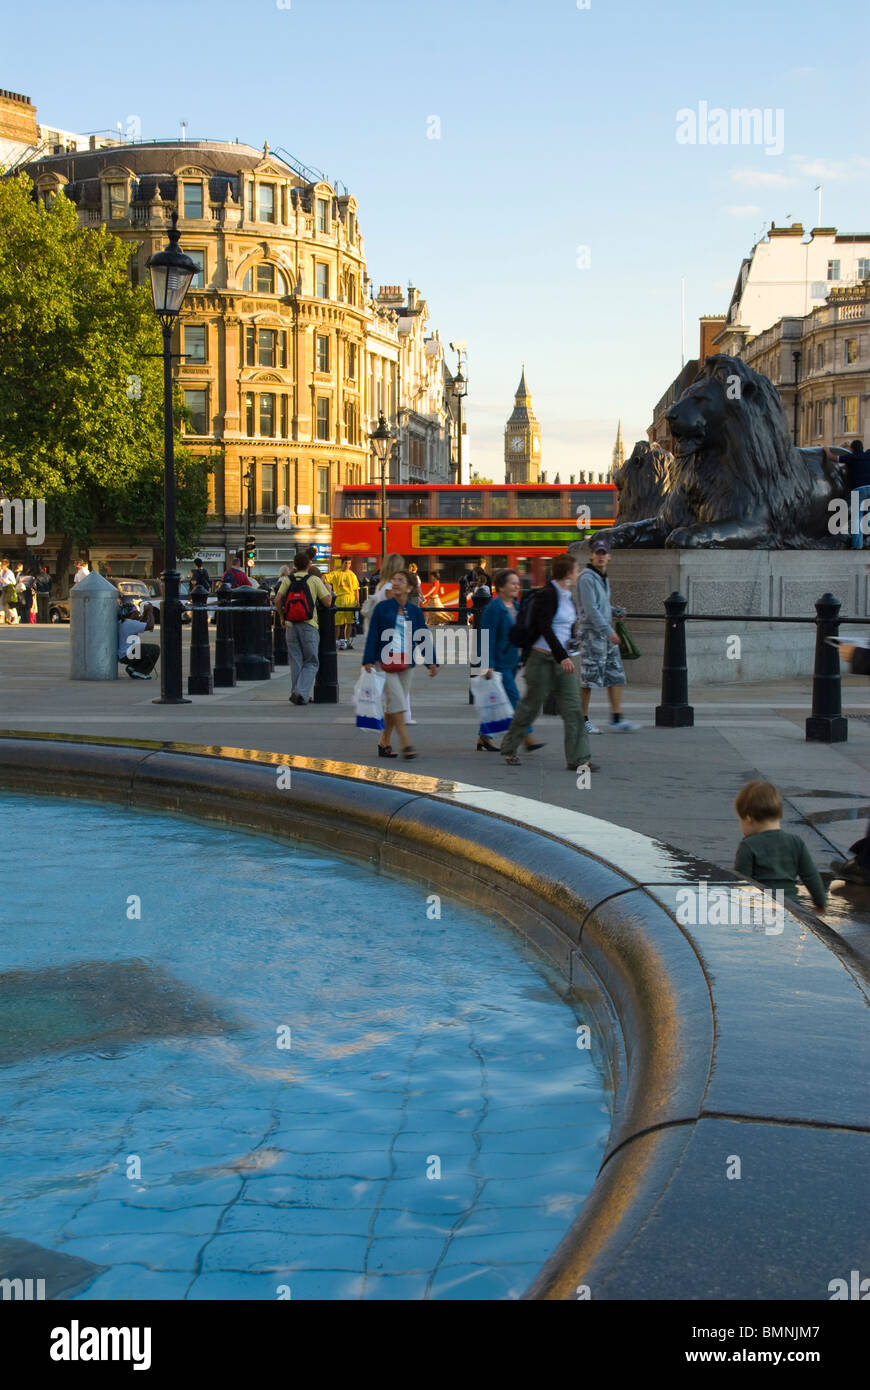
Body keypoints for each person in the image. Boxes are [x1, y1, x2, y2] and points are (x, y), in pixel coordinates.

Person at [499, 554, 594, 772]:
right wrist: (562, 656)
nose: (578, 573)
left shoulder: (567, 595)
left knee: (573, 709)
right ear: (568, 573)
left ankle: (579, 759)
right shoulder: (547, 595)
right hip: (542, 659)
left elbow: (563, 629)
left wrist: (570, 648)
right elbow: (545, 627)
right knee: (530, 707)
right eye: (576, 569)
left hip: (562, 659)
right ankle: (509, 748)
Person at [363, 568, 438, 760]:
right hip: (384, 661)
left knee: (394, 703)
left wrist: (431, 662)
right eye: (394, 579)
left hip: (406, 664)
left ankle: (384, 742)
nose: (395, 583)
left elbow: (422, 636)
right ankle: (406, 742)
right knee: (397, 701)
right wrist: (368, 659)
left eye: (401, 580)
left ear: (410, 587)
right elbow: (373, 634)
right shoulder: (382, 607)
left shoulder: (414, 611)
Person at [577, 537, 640, 733]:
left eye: (604, 553)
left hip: (605, 635)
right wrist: (609, 631)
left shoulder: (603, 576)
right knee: (589, 679)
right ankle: (582, 720)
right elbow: (590, 609)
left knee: (616, 675)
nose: (601, 557)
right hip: (592, 636)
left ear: (609, 556)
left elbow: (601, 606)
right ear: (592, 555)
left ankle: (616, 717)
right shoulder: (586, 577)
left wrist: (614, 611)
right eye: (598, 553)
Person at [478, 568, 545, 755]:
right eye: (512, 583)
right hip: (499, 663)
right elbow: (486, 637)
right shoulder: (494, 608)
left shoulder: (516, 605)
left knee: (498, 699)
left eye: (518, 582)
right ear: (500, 587)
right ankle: (527, 737)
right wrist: (487, 663)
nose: (517, 585)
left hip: (513, 660)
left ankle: (484, 735)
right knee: (515, 699)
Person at [734, 780, 827, 912]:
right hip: (792, 908)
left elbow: (741, 883)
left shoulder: (748, 845)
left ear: (748, 818)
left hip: (761, 907)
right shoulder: (796, 842)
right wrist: (820, 902)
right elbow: (811, 875)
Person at [277, 550, 332, 706]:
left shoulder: (288, 579)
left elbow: (277, 599)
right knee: (312, 661)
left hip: (290, 625)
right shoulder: (314, 580)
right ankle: (300, 693)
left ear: (294, 565)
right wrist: (327, 588)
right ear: (309, 564)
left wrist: (282, 617)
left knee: (295, 661)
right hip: (308, 625)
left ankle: (297, 693)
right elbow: (327, 602)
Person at [118, 600, 160, 679]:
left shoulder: (125, 623)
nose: (138, 614)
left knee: (142, 648)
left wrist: (145, 613)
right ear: (133, 614)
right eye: (137, 612)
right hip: (128, 655)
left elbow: (141, 622)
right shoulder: (131, 624)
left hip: (124, 655)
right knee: (155, 649)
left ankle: (133, 668)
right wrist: (150, 612)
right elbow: (150, 626)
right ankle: (140, 671)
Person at [325, 556, 360, 651]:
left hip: (350, 600)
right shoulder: (336, 574)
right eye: (346, 563)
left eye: (349, 563)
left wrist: (357, 601)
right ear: (342, 563)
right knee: (337, 623)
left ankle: (346, 641)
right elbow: (325, 578)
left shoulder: (352, 575)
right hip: (339, 599)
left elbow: (356, 589)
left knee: (349, 622)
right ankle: (336, 642)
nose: (348, 565)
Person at [0, 558, 18, 624]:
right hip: (4, 590)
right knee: (2, 604)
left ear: (5, 565)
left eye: (1, 565)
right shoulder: (2, 573)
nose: (1, 566)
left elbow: (14, 582)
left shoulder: (9, 572)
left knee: (10, 605)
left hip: (9, 590)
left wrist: (6, 581)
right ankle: (2, 618)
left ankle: (15, 618)